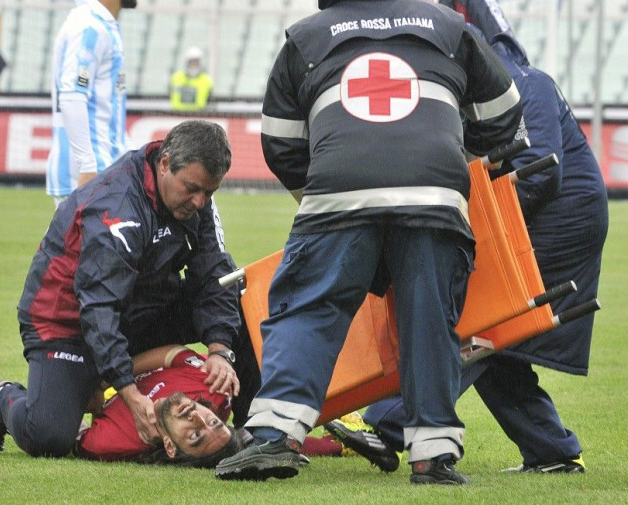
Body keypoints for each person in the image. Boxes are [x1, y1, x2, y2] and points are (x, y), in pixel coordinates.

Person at [215, 0, 522, 485]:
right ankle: (433, 457)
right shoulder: (448, 26)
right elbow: (505, 111)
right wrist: (459, 159)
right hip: (434, 194)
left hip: (339, 191)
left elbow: (280, 141)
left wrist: (320, 194)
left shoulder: (305, 37)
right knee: (429, 319)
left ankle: (274, 436)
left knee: (307, 311)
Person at [334, 25, 609, 476]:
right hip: (544, 219)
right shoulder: (500, 86)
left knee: (481, 323)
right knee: (499, 340)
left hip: (557, 224)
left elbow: (540, 175)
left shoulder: (524, 82)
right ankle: (552, 450)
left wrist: (465, 230)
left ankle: (387, 425)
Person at [0, 120, 242, 459]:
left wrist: (219, 350)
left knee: (241, 299)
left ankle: (252, 429)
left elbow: (214, 274)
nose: (200, 202)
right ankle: (2, 397)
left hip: (138, 313)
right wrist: (126, 389)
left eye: (209, 192)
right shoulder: (118, 207)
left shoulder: (196, 201)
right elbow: (98, 307)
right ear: (165, 163)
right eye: (192, 188)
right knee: (50, 437)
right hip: (66, 324)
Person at [76, 344, 243, 466]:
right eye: (213, 422)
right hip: (130, 344)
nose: (197, 416)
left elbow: (71, 430)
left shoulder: (109, 442)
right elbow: (170, 354)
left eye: (194, 435)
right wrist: (109, 380)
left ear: (170, 447)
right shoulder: (215, 386)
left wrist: (81, 398)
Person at [45, 0, 137, 208]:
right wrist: (87, 165)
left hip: (105, 167)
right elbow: (72, 95)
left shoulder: (102, 24)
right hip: (92, 171)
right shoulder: (89, 26)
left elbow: (108, 113)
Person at [169, 46, 214, 112]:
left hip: (198, 114)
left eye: (196, 62)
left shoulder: (206, 80)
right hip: (177, 114)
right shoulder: (176, 78)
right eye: (192, 62)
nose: (194, 64)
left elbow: (209, 100)